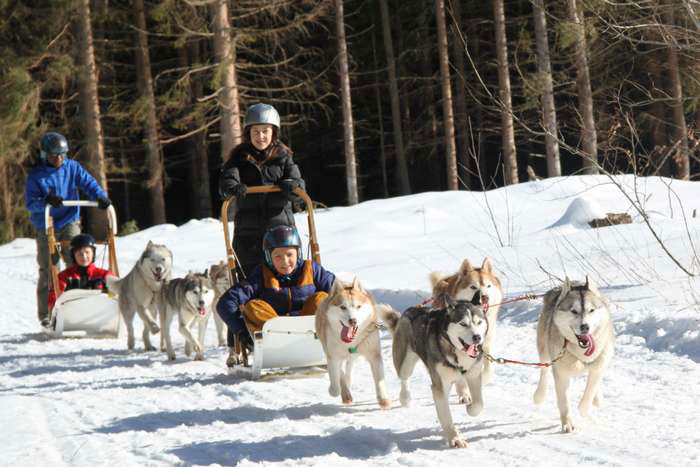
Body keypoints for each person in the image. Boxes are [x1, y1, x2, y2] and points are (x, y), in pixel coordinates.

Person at [25, 131, 112, 328]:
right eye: (54, 155)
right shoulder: (36, 175)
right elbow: (31, 204)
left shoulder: (72, 168)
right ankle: (47, 314)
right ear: (45, 155)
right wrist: (46, 201)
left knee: (78, 261)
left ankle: (78, 307)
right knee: (49, 268)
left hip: (69, 220)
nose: (59, 159)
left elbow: (89, 183)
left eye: (62, 154)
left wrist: (100, 196)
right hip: (46, 224)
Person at [216, 225, 335, 357]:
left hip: (310, 332)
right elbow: (225, 303)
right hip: (275, 336)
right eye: (278, 256)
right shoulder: (261, 275)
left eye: (290, 254)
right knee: (252, 306)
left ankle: (324, 339)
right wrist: (243, 333)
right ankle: (278, 344)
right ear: (269, 257)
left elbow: (339, 290)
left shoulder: (311, 269)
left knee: (322, 298)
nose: (285, 261)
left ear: (298, 253)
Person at [218, 103, 306, 278]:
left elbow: (300, 192)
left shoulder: (284, 158)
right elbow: (226, 183)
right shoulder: (238, 159)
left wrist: (291, 187)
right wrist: (233, 188)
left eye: (265, 131)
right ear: (248, 133)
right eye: (256, 131)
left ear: (273, 132)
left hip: (281, 231)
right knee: (251, 277)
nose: (261, 136)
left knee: (285, 274)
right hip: (248, 233)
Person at [47, 234, 114, 312]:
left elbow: (115, 296)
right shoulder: (64, 276)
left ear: (93, 253)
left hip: (99, 316)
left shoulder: (104, 275)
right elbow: (53, 299)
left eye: (87, 252)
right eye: (79, 254)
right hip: (71, 317)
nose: (84, 256)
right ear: (73, 256)